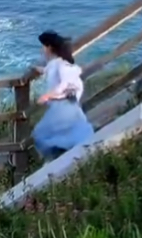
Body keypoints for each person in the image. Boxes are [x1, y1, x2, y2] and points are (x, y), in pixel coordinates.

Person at [31, 31, 94, 161]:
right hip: (67, 104)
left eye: (43, 46)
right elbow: (48, 71)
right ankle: (77, 156)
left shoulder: (61, 65)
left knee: (41, 135)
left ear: (49, 48)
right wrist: (37, 69)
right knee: (73, 129)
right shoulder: (56, 63)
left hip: (62, 104)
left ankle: (57, 159)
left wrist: (47, 96)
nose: (41, 49)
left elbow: (64, 84)